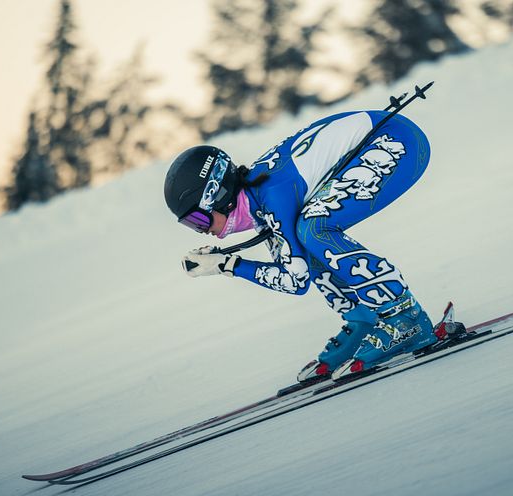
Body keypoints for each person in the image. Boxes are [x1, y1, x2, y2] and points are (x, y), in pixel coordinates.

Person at [164, 109, 445, 381]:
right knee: (304, 234)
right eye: (191, 224)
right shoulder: (258, 199)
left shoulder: (272, 196)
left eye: (199, 218)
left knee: (313, 228)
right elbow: (293, 262)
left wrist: (228, 266)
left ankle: (405, 318)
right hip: (388, 135)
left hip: (397, 140)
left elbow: (295, 280)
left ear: (219, 195)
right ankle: (364, 320)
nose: (202, 230)